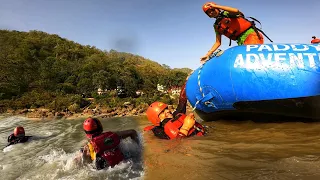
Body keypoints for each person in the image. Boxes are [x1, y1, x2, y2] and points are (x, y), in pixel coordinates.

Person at [200, 2, 272, 64]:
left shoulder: (226, 13)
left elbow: (236, 11)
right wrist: (208, 54)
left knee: (251, 57)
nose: (211, 12)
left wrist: (216, 6)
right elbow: (218, 42)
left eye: (212, 9)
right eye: (208, 12)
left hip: (251, 34)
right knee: (243, 59)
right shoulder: (216, 26)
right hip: (240, 41)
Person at [75, 117, 140, 170]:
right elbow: (132, 132)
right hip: (124, 164)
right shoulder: (112, 135)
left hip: (103, 170)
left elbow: (78, 162)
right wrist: (139, 148)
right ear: (100, 127)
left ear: (86, 132)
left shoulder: (87, 147)